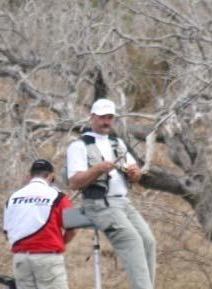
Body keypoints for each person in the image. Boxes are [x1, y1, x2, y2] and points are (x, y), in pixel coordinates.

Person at [66, 99, 155, 289]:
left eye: (109, 117)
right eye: (102, 117)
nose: (106, 122)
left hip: (123, 203)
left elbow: (136, 176)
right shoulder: (79, 146)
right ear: (92, 117)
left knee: (148, 240)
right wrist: (98, 169)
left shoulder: (118, 143)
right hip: (99, 204)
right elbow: (74, 183)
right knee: (133, 241)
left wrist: (135, 174)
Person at [3, 159, 77, 289]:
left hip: (21, 259)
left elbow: (7, 231)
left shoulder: (13, 197)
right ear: (51, 176)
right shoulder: (58, 197)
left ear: (29, 175)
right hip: (48, 256)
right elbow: (72, 229)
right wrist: (60, 243)